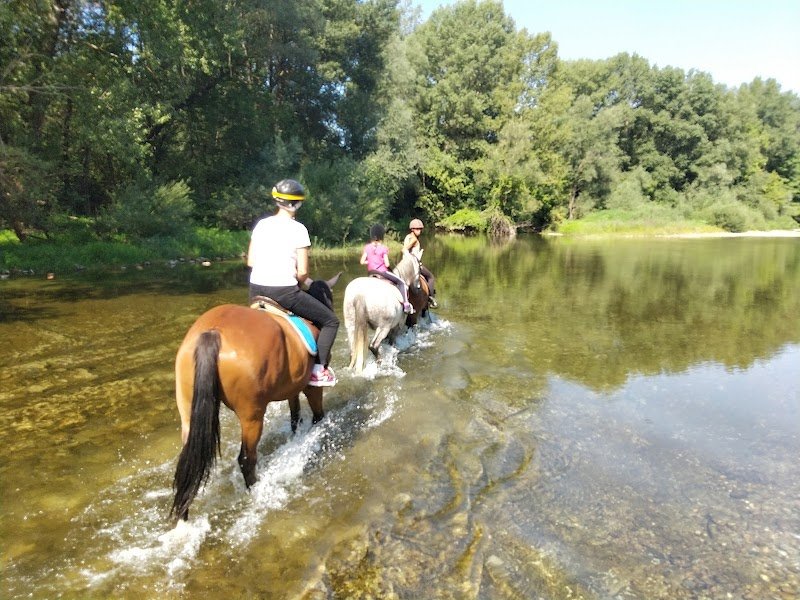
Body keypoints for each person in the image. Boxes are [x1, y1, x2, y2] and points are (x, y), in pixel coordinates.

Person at [247, 179, 339, 386]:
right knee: (331, 321)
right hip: (284, 293)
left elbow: (251, 261)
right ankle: (318, 370)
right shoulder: (299, 229)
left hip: (256, 291)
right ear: (297, 204)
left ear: (277, 200)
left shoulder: (262, 225)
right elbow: (303, 272)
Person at [360, 224, 414, 314]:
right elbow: (387, 264)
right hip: (382, 272)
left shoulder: (367, 247)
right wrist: (381, 262)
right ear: (381, 236)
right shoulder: (383, 248)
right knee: (402, 283)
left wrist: (370, 262)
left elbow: (362, 261)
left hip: (371, 272)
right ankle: (406, 305)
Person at [402, 218, 438, 308]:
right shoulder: (414, 240)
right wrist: (413, 258)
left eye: (420, 229)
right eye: (417, 229)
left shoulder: (407, 237)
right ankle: (431, 298)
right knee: (431, 277)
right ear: (412, 229)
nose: (419, 231)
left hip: (405, 265)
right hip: (414, 265)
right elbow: (404, 249)